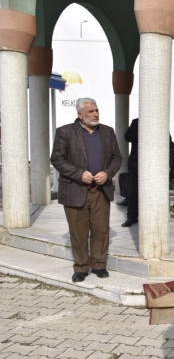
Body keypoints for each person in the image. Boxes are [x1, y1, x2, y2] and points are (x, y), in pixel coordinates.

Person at [50, 97, 122, 282]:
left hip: (101, 191)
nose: (95, 114)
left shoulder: (107, 131)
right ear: (80, 114)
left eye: (96, 110)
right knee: (78, 232)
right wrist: (79, 174)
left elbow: (117, 158)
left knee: (101, 230)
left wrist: (107, 173)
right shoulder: (65, 132)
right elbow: (57, 159)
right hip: (75, 190)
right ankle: (81, 267)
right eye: (91, 111)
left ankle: (99, 265)